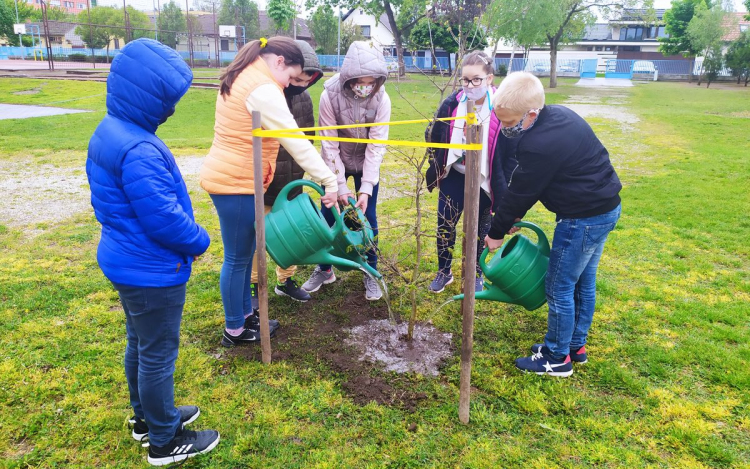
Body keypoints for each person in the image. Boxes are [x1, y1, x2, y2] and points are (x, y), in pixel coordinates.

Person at [86, 38, 219, 465]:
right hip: (150, 270)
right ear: (147, 94)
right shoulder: (140, 148)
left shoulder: (110, 129)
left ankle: (147, 418)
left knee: (140, 344)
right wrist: (200, 240)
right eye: (168, 99)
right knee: (158, 354)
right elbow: (162, 219)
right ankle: (164, 440)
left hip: (125, 261)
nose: (172, 109)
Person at [200, 37, 338, 347]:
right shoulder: (262, 88)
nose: (290, 84)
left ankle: (245, 316)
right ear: (278, 62)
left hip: (236, 179)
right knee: (237, 259)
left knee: (243, 255)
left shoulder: (246, 73)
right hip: (235, 183)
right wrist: (329, 180)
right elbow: (296, 140)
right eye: (291, 76)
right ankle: (235, 330)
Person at [485, 72, 622, 377]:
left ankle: (556, 357)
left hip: (582, 218)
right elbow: (530, 186)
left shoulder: (539, 143)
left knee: (558, 286)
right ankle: (575, 346)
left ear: (531, 115)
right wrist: (514, 215)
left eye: (509, 123)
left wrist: (496, 232)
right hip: (606, 208)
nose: (506, 129)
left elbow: (521, 189)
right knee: (582, 281)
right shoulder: (561, 115)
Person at [302, 41, 392, 301]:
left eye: (371, 82)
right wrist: (339, 187)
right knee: (328, 215)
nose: (365, 87)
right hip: (336, 160)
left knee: (368, 219)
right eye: (359, 81)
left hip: (366, 163)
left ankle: (371, 271)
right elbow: (329, 144)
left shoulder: (381, 97)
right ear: (349, 78)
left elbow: (377, 146)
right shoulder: (329, 94)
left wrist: (366, 188)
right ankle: (324, 269)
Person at [425, 51, 516, 294]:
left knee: (479, 228)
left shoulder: (500, 107)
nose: (470, 85)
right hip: (455, 173)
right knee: (445, 223)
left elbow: (510, 150)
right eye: (465, 80)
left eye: (476, 79)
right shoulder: (453, 103)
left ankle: (475, 272)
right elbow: (434, 134)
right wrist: (436, 160)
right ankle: (444, 271)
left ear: (489, 78)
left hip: (485, 178)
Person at [248, 40, 325, 307]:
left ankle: (286, 281)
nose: (303, 83)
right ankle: (255, 286)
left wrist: (301, 173)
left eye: (308, 80)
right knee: (258, 239)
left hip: (292, 182)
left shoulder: (304, 100)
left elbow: (306, 140)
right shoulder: (265, 94)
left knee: (293, 234)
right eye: (301, 77)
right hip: (265, 181)